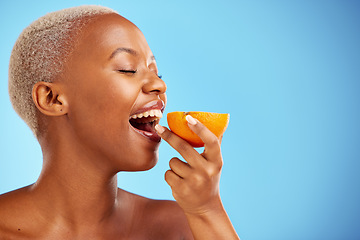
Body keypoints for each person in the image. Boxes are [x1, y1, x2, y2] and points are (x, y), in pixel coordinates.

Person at [0, 5, 240, 239]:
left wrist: (208, 211)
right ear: (52, 99)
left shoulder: (179, 226)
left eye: (156, 72)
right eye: (127, 69)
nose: (160, 85)